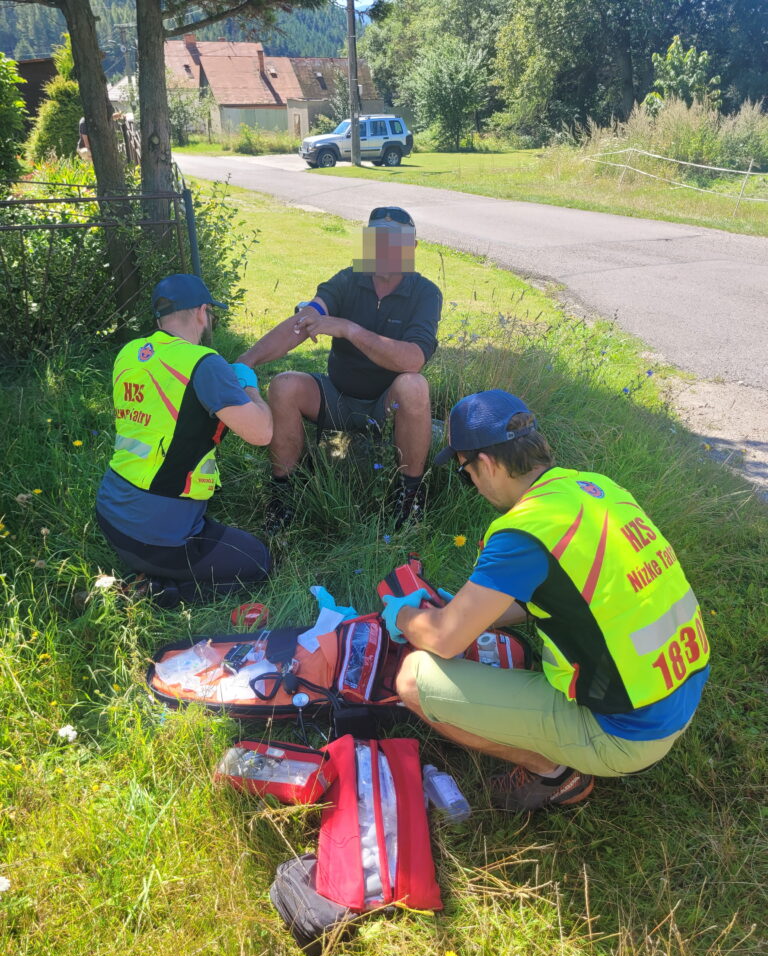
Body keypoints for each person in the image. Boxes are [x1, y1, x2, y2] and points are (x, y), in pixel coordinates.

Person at [380, 390, 710, 812]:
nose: (473, 485)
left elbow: (443, 640)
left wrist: (404, 614)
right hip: (678, 689)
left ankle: (554, 773)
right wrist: (480, 615)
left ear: (487, 464)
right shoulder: (595, 490)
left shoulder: (523, 533)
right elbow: (581, 594)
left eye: (466, 473)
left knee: (413, 678)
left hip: (626, 734)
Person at [237, 206, 443, 531]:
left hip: (386, 404)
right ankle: (284, 494)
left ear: (411, 248)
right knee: (284, 384)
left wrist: (349, 329)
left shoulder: (425, 293)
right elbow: (303, 322)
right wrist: (247, 360)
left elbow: (413, 359)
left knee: (414, 385)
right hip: (337, 397)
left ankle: (407, 499)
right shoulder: (348, 279)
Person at [96, 274, 274, 606]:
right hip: (155, 537)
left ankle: (149, 570)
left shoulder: (130, 353)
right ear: (201, 312)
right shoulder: (204, 363)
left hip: (110, 515)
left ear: (159, 316)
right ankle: (158, 592)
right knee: (257, 562)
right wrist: (248, 385)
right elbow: (261, 433)